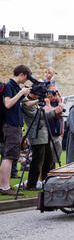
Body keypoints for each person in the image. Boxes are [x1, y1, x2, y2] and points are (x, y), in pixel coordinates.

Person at [0, 65, 32, 195]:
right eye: (27, 77)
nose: (27, 80)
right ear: (22, 74)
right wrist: (20, 93)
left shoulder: (16, 87)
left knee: (11, 157)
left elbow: (27, 103)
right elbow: (7, 104)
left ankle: (4, 186)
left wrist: (40, 99)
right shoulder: (9, 86)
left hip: (16, 126)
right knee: (9, 157)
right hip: (11, 126)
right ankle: (4, 187)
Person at [22, 91, 64, 190]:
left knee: (48, 160)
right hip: (37, 135)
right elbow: (38, 116)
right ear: (33, 94)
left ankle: (46, 182)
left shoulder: (36, 102)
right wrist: (54, 112)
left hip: (45, 135)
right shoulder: (26, 103)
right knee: (37, 161)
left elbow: (43, 114)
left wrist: (56, 111)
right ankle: (31, 184)